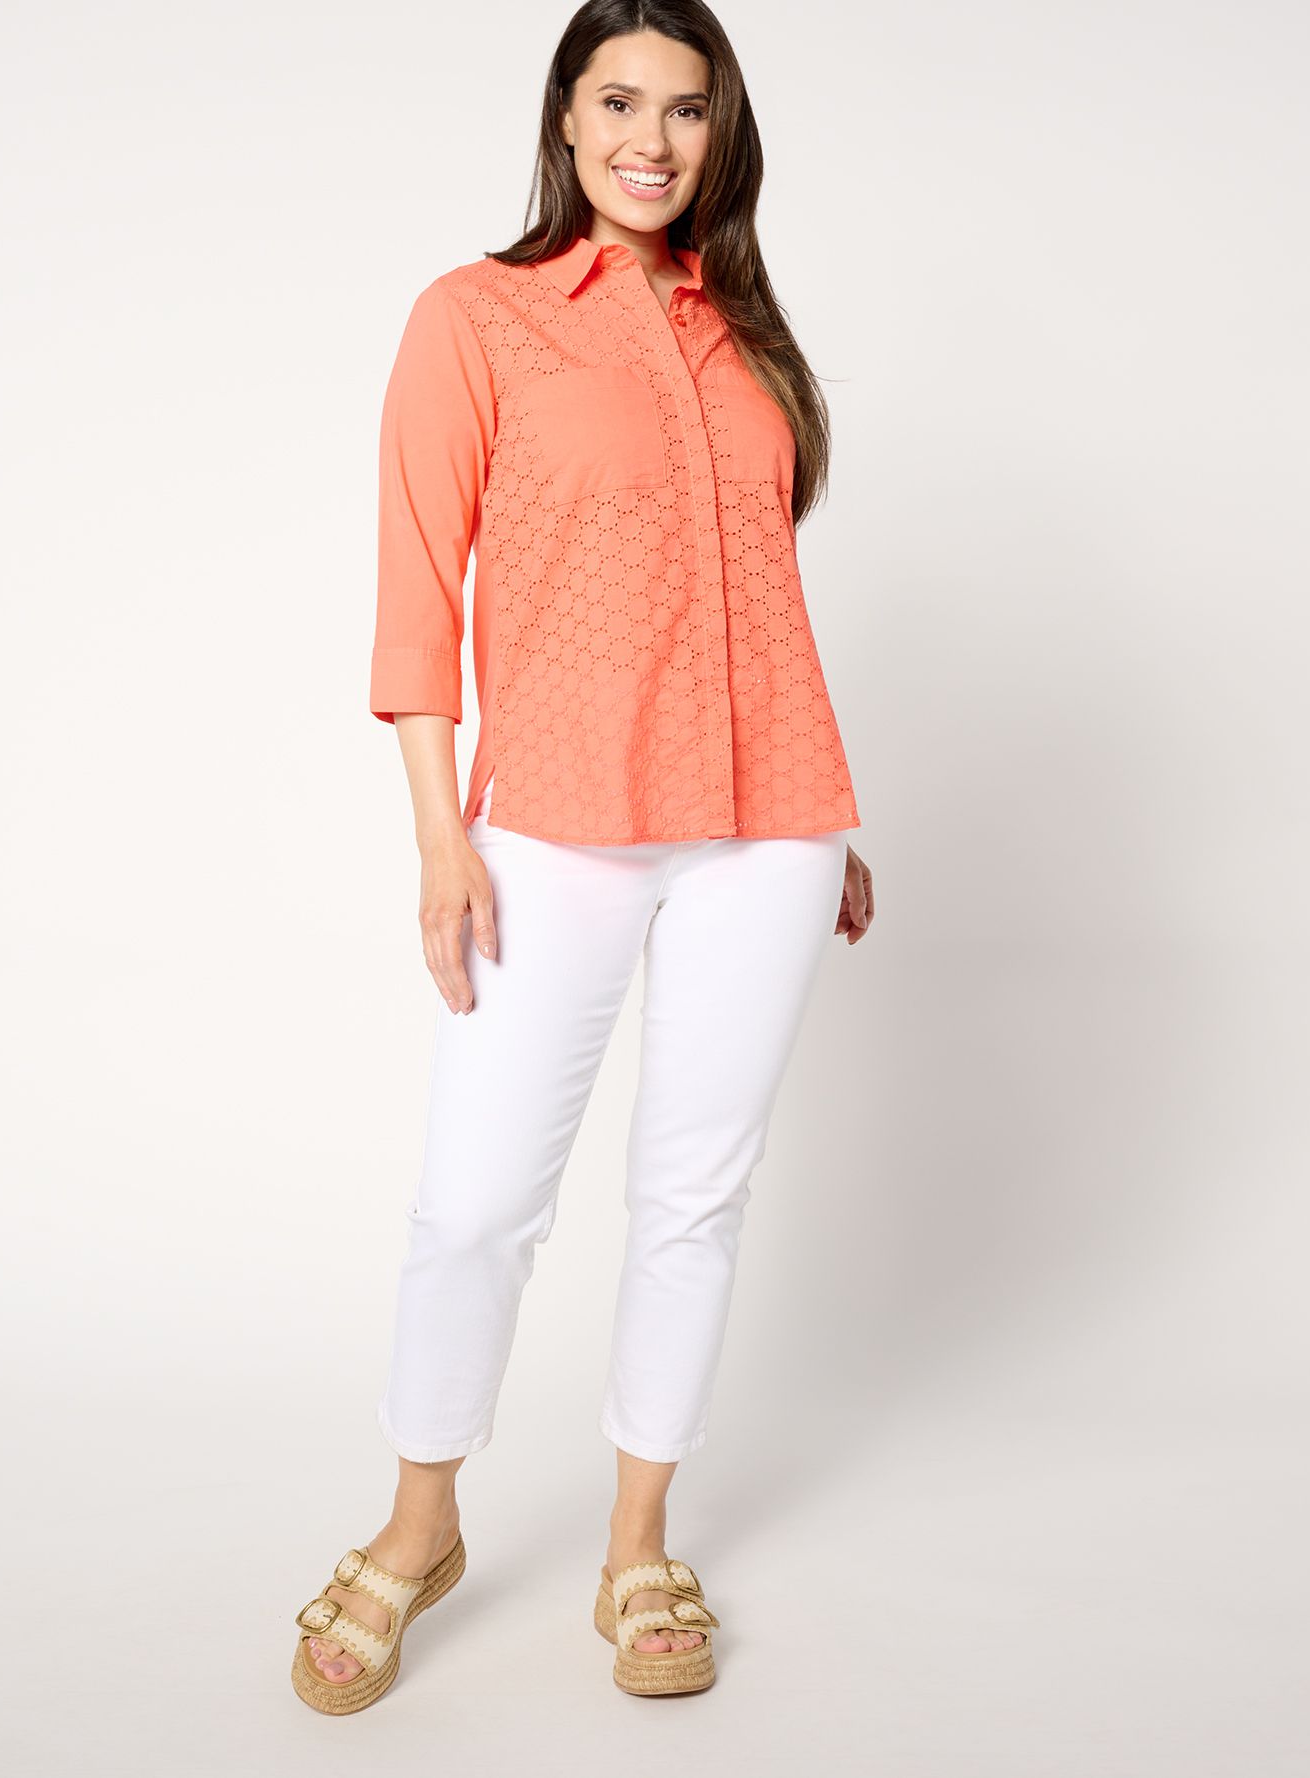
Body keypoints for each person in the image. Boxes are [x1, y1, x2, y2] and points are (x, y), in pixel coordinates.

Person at [291, 0, 876, 1712]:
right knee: (478, 1201)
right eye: (618, 101)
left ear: (718, 135)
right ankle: (419, 1529)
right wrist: (441, 833)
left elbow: (763, 587)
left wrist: (829, 813)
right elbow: (419, 586)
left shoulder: (741, 329)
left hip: (770, 827)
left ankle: (638, 1545)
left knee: (694, 1195)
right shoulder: (474, 318)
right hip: (553, 820)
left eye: (686, 110)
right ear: (563, 118)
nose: (650, 139)